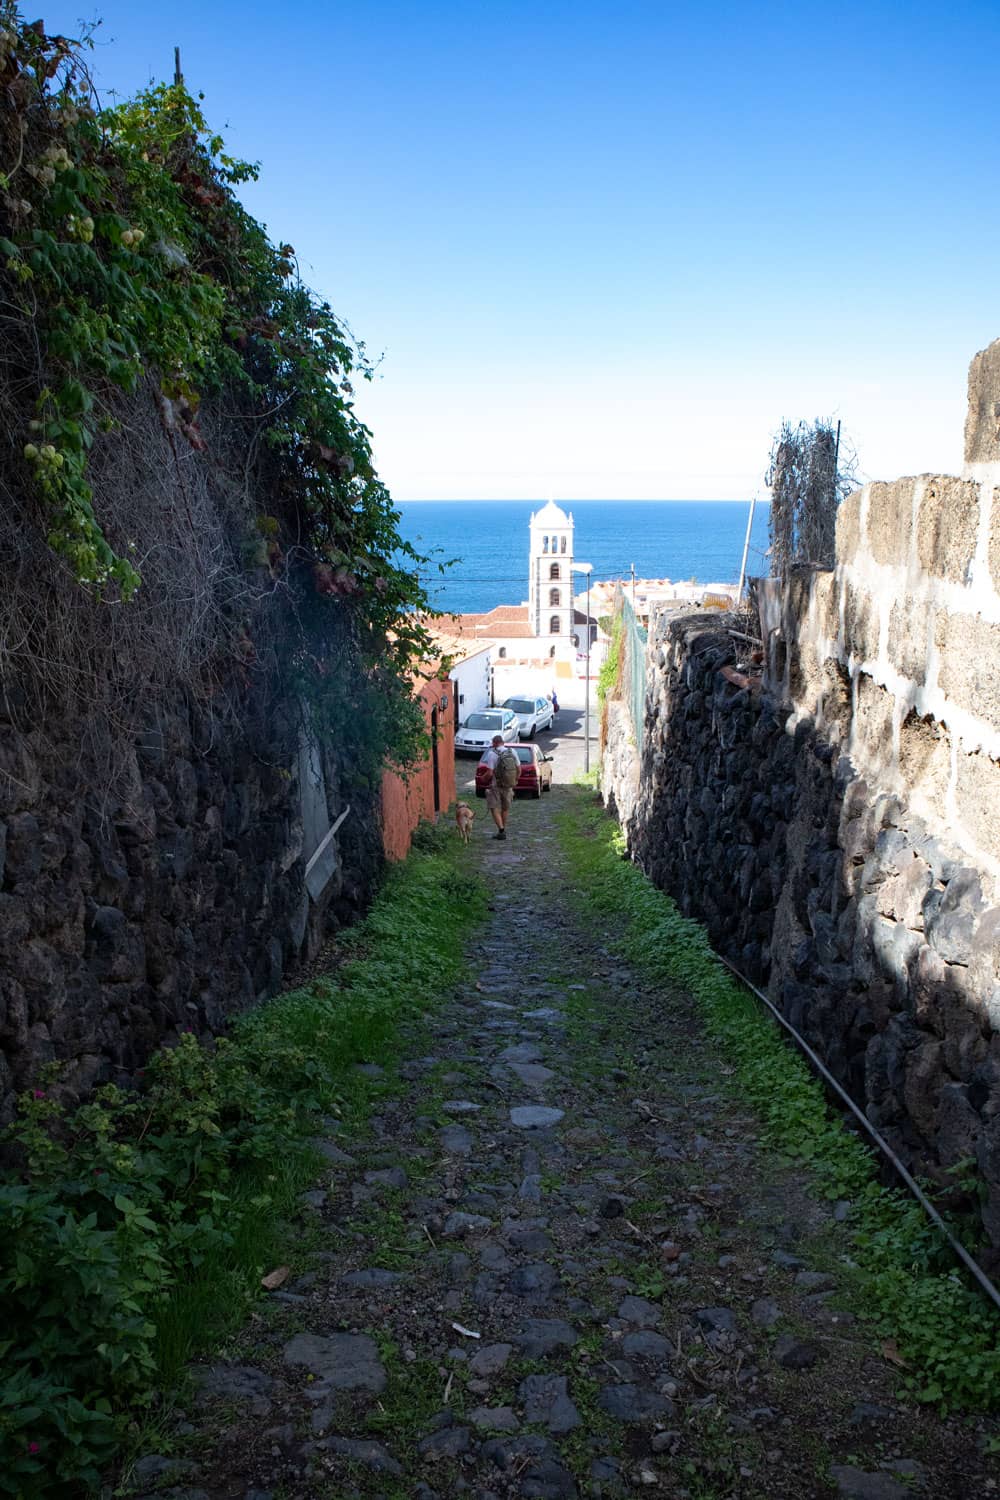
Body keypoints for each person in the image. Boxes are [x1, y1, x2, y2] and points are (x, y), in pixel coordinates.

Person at [479, 734, 513, 841]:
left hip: (496, 785)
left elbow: (489, 773)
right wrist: (514, 781)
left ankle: (501, 830)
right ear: (503, 742)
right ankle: (502, 829)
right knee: (505, 807)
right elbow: (518, 769)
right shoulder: (512, 752)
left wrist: (482, 779)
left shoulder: (492, 754)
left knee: (493, 807)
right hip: (508, 784)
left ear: (494, 743)